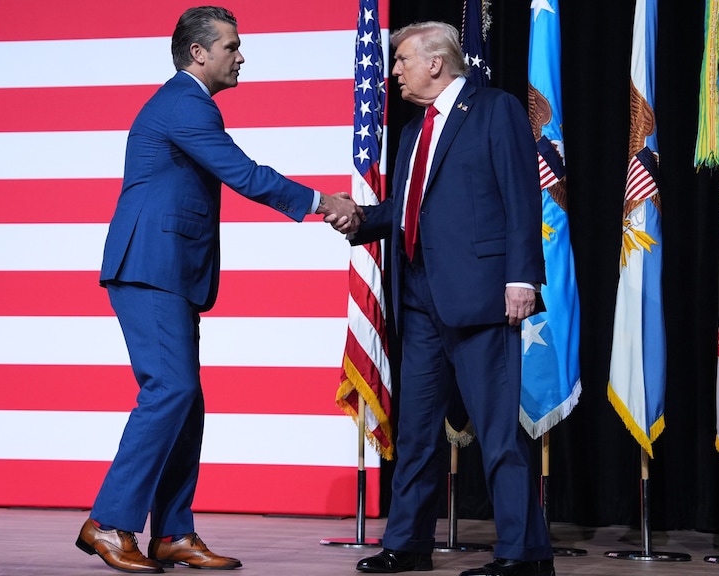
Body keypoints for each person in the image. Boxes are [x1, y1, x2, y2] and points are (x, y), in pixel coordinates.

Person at [74, 6, 362, 574]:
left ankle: (173, 532)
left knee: (187, 403)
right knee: (171, 392)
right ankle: (108, 523)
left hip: (171, 274)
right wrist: (324, 202)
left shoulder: (187, 104)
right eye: (231, 46)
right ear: (198, 53)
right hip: (151, 269)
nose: (241, 55)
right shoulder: (183, 102)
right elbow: (245, 174)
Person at [351, 21, 554, 576]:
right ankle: (408, 543)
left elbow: (521, 192)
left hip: (483, 295)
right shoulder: (416, 128)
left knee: (497, 432)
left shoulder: (495, 109)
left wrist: (522, 277)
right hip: (418, 299)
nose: (393, 72)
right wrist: (361, 218)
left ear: (436, 62)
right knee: (415, 430)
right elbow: (411, 207)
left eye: (402, 62)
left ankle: (524, 554)